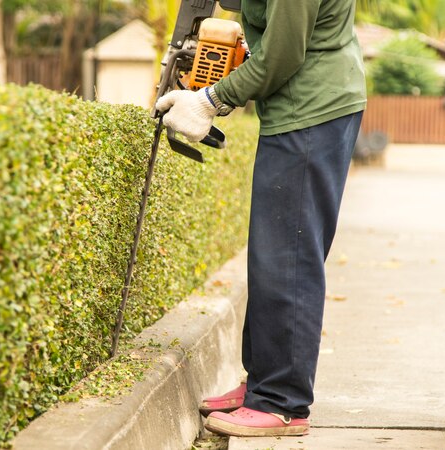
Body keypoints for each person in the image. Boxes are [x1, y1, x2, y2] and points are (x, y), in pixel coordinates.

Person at [155, 0, 366, 438]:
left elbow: (283, 54)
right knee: (272, 256)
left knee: (289, 259)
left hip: (311, 112)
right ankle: (263, 384)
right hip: (299, 111)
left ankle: (282, 402)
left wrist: (210, 99)